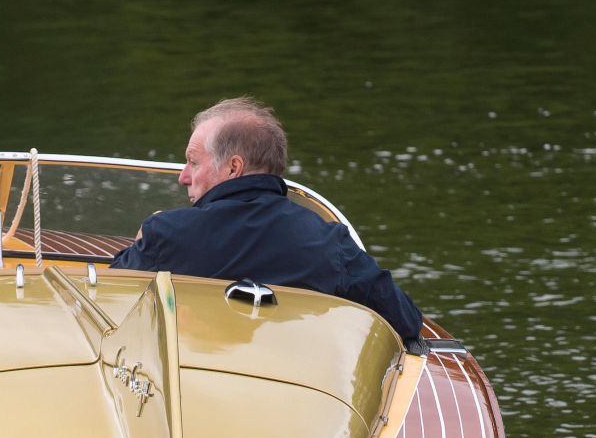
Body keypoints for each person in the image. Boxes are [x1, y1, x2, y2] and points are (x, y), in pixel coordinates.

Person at [109, 97, 425, 346]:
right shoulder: (328, 243)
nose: (183, 177)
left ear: (233, 168)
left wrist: (142, 241)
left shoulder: (167, 234)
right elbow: (406, 320)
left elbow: (109, 305)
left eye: (193, 162)